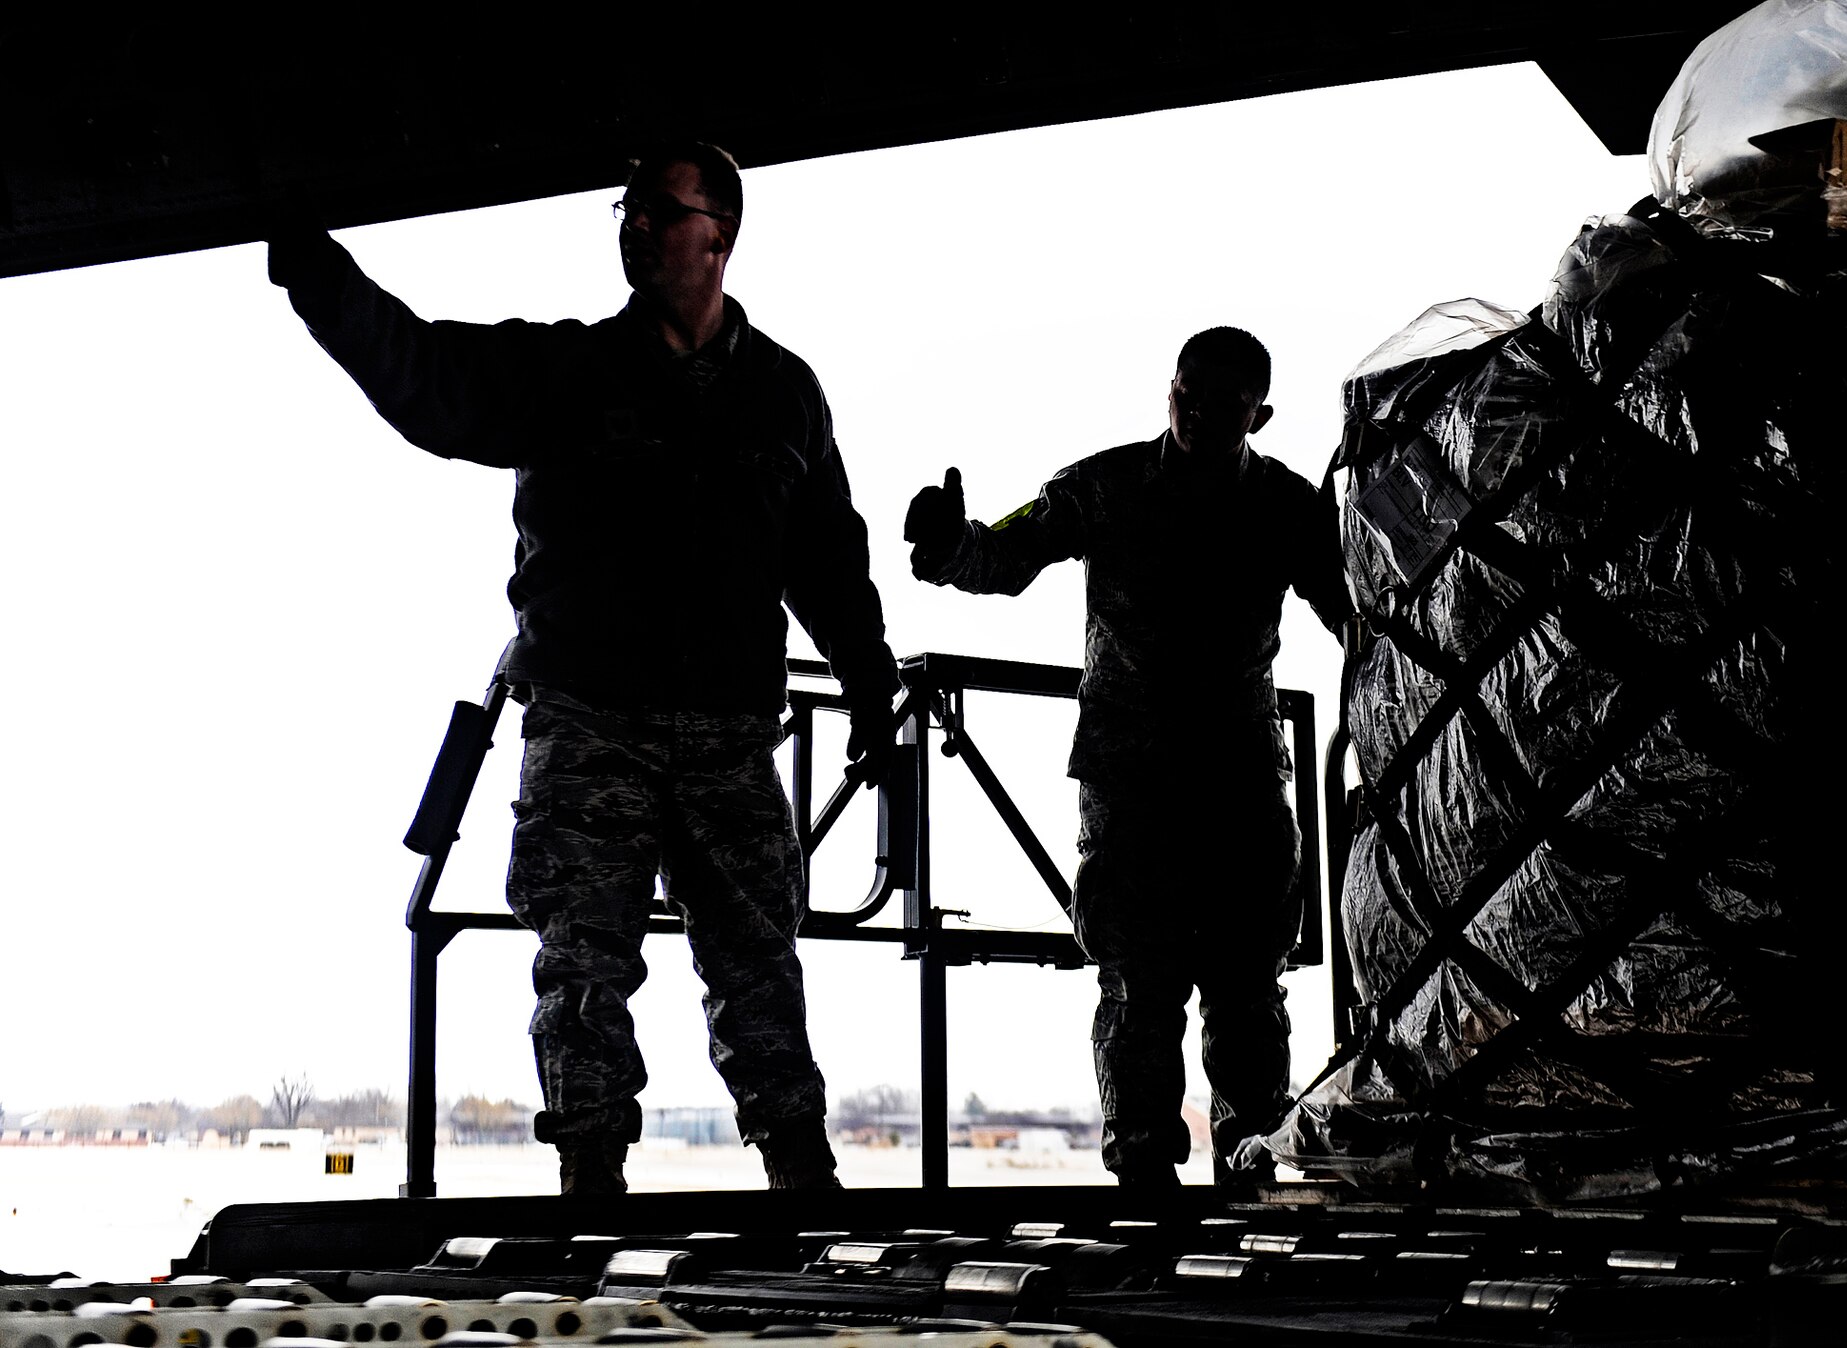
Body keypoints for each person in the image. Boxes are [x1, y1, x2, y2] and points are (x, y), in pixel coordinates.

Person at [267, 140, 899, 1195]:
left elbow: (829, 561)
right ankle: (591, 1184)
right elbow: (425, 377)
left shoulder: (784, 394)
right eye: (627, 206)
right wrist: (314, 272)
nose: (635, 224)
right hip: (588, 720)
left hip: (728, 734)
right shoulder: (565, 374)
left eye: (660, 208)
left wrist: (870, 687)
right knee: (581, 965)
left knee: (758, 965)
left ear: (719, 235)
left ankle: (801, 1177)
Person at [904, 328, 1350, 1187]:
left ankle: (1251, 1160)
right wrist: (953, 547)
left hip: (1241, 782)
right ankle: (1143, 1163)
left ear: (1259, 414)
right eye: (1188, 394)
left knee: (1248, 990)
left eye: (1224, 405)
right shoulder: (1102, 487)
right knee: (1139, 987)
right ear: (1169, 388)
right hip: (1133, 784)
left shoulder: (1289, 509)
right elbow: (1007, 553)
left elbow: (1359, 618)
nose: (1199, 415)